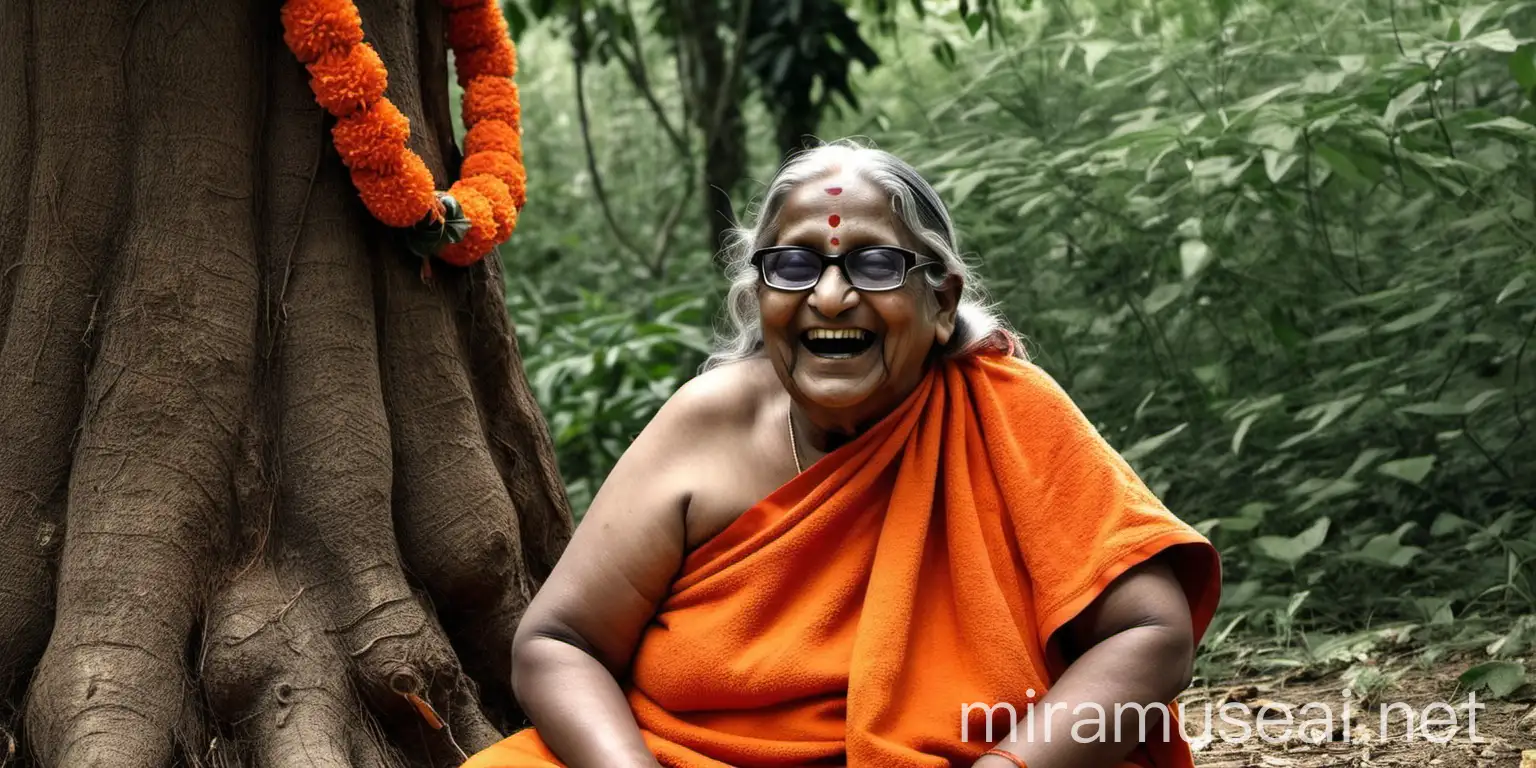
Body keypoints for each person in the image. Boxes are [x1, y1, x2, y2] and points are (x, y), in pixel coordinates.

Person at [464, 140, 1221, 768]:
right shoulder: (711, 422)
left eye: (875, 264)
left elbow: (1151, 635)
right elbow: (560, 644)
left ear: (942, 301)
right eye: (792, 266)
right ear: (760, 295)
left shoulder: (1008, 412)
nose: (829, 296)